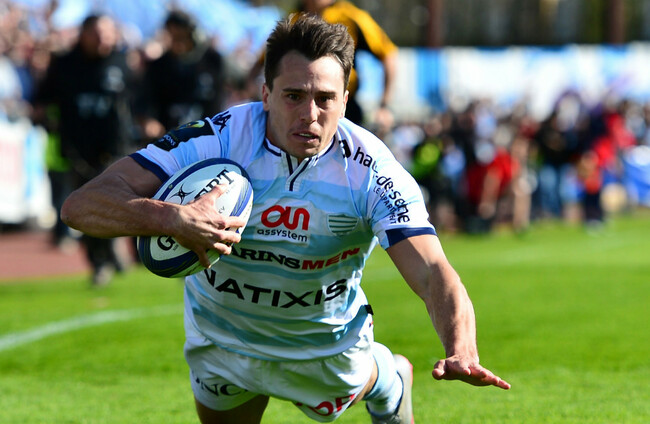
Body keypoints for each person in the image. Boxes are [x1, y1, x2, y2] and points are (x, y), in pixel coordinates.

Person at [61, 15, 510, 424]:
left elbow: (432, 271)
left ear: (345, 101)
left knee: (360, 382)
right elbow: (81, 206)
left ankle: (389, 377)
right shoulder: (217, 139)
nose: (309, 115)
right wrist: (171, 217)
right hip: (221, 336)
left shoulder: (372, 170)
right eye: (293, 96)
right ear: (265, 94)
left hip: (324, 344)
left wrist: (461, 349)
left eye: (325, 99)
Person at [33, 14, 136, 284]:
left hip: (115, 149)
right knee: (88, 208)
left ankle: (114, 248)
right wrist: (44, 116)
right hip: (78, 151)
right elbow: (42, 98)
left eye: (107, 33)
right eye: (96, 33)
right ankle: (99, 262)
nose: (103, 39)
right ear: (84, 34)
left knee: (118, 202)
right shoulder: (64, 64)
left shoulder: (122, 61)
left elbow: (138, 98)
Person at [249, 0, 397, 128]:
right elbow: (265, 58)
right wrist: (247, 92)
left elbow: (388, 54)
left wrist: (385, 106)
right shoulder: (293, 19)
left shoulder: (351, 16)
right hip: (295, 104)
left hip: (342, 107)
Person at [136, 10, 228, 143]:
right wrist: (148, 121)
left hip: (206, 138)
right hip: (168, 139)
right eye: (172, 37)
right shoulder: (158, 66)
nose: (177, 43)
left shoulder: (212, 61)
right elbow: (144, 101)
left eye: (181, 37)